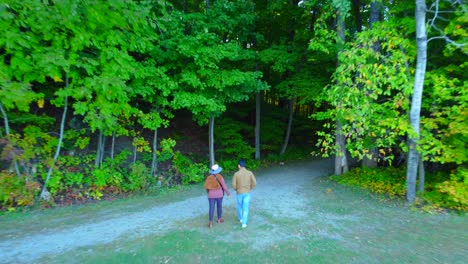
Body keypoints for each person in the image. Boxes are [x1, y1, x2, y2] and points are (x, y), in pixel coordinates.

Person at [204, 164, 230, 228]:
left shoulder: (209, 177)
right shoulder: (220, 177)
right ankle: (219, 219)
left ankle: (210, 222)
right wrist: (228, 193)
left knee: (211, 208)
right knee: (219, 206)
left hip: (211, 195)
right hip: (219, 195)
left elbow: (206, 187)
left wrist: (209, 192)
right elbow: (224, 186)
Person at [232, 160, 256, 228]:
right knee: (246, 208)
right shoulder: (250, 173)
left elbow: (233, 184)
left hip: (239, 193)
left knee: (240, 206)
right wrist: (250, 188)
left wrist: (236, 189)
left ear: (239, 166)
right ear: (244, 165)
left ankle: (241, 219)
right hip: (247, 193)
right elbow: (254, 182)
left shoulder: (236, 174)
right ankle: (244, 223)